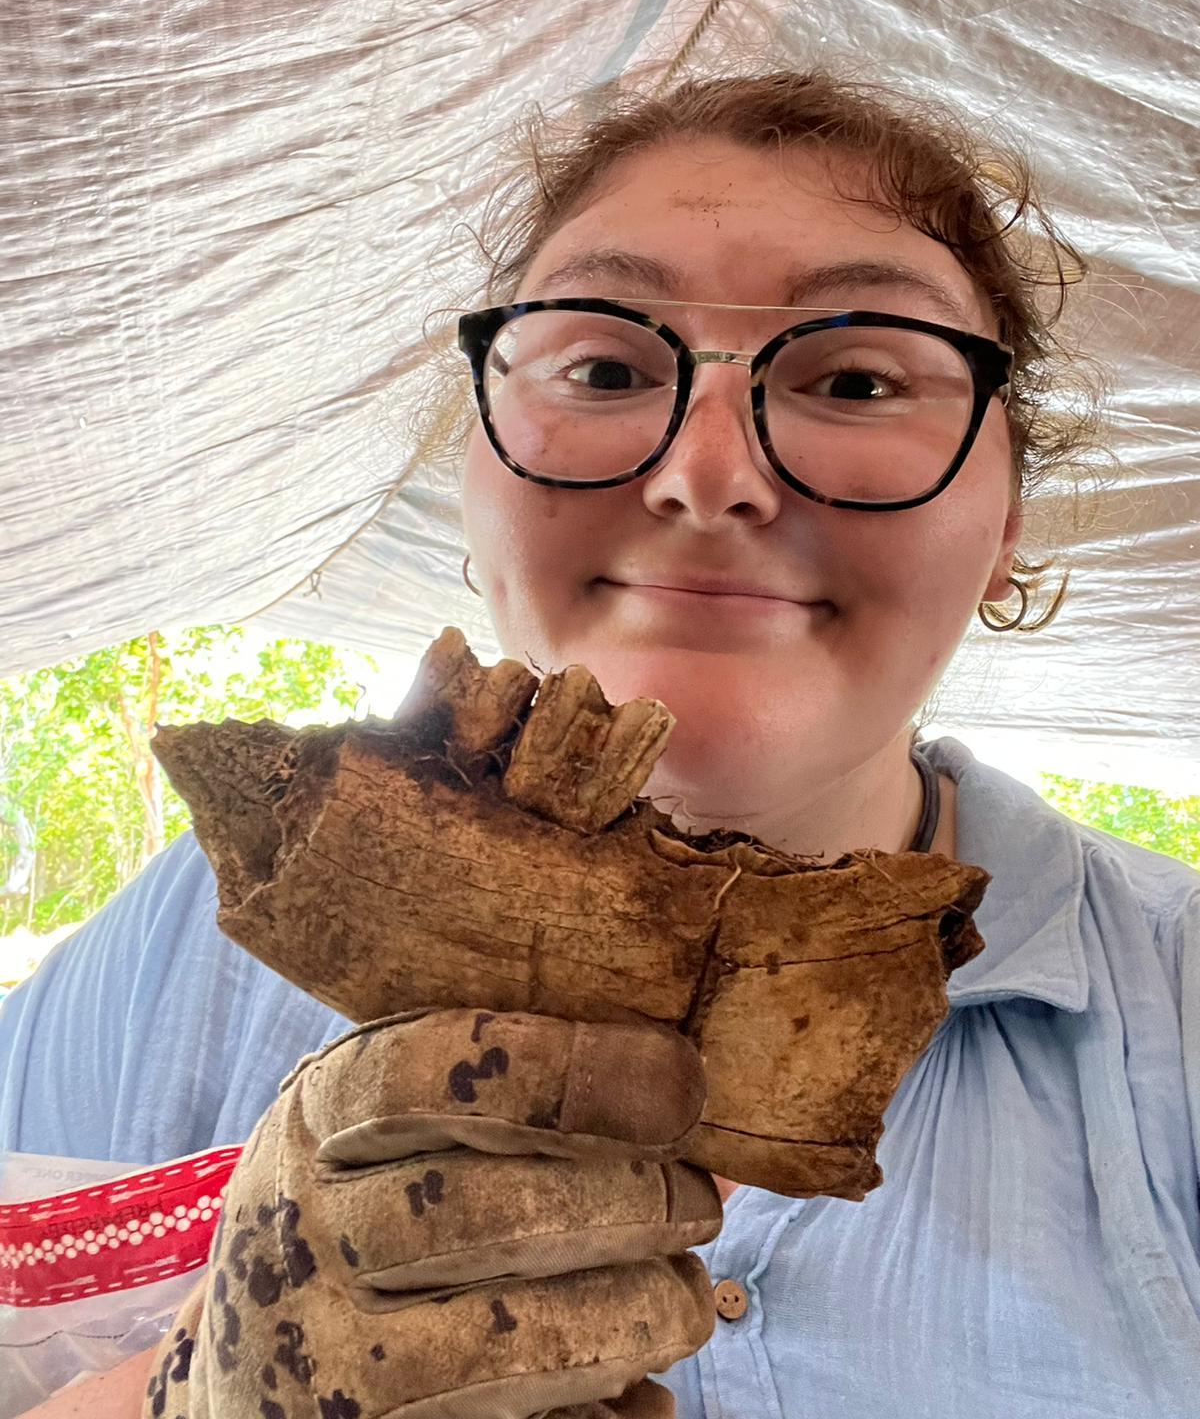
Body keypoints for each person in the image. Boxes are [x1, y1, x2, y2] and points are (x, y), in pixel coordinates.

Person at [5, 69, 1199, 1418]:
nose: (708, 472)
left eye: (858, 377)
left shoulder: (1176, 1006)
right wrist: (166, 1399)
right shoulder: (193, 944)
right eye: (607, 367)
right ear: (476, 474)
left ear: (1008, 522)